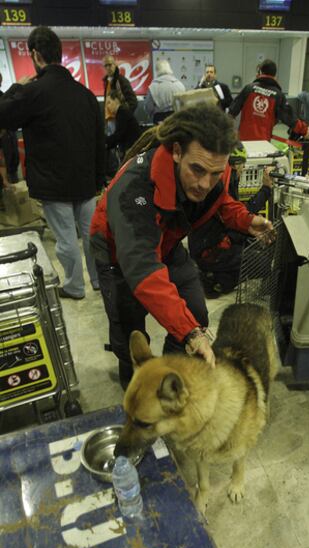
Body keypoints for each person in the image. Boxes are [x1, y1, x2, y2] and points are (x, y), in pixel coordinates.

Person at [90, 104, 273, 388]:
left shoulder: (211, 168)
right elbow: (143, 268)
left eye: (215, 173)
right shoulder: (132, 191)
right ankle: (135, 390)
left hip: (168, 243)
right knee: (131, 334)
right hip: (119, 255)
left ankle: (170, 380)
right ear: (176, 152)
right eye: (197, 170)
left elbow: (219, 200)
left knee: (195, 314)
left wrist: (245, 220)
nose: (204, 184)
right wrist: (189, 333)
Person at [0, 26, 105, 299]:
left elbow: (2, 115)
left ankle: (74, 286)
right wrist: (98, 180)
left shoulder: (33, 92)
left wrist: (15, 87)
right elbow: (99, 142)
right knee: (92, 235)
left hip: (52, 181)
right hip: (85, 181)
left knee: (66, 239)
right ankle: (98, 280)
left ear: (35, 55)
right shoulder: (86, 94)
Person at [188, 141, 273, 297]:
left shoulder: (224, 182)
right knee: (263, 264)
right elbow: (242, 214)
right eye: (241, 165)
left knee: (250, 246)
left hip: (206, 245)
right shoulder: (223, 185)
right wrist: (266, 189)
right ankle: (212, 277)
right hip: (212, 250)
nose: (242, 170)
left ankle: (216, 279)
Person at [229, 59, 309, 142]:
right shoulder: (278, 95)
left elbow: (232, 111)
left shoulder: (248, 88)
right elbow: (289, 117)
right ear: (275, 75)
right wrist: (304, 130)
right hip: (263, 142)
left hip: (244, 139)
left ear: (261, 72)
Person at [105, 90, 143, 163]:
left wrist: (105, 142)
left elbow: (119, 135)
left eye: (109, 102)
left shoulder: (122, 113)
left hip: (133, 150)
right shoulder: (122, 112)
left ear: (116, 100)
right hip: (133, 148)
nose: (107, 106)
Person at [145, 58, 185, 124]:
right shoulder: (179, 84)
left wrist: (153, 113)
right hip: (176, 118)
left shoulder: (153, 86)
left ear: (157, 70)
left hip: (159, 119)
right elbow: (183, 104)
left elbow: (148, 106)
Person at [0, 72, 19, 184]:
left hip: (8, 136)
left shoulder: (3, 96)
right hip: (5, 137)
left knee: (11, 164)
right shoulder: (4, 97)